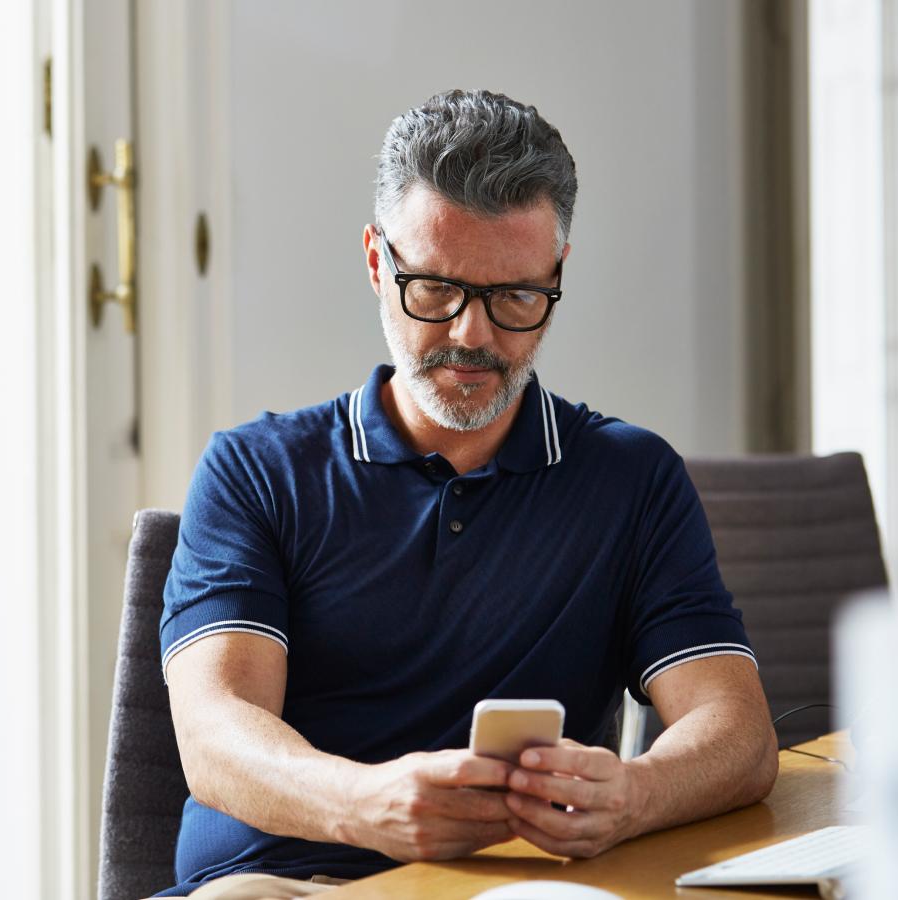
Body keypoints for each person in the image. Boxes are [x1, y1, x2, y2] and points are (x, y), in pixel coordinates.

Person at [158, 89, 778, 899]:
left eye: (515, 296)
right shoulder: (255, 472)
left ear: (556, 276)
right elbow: (214, 737)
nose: (472, 336)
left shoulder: (631, 479)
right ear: (379, 262)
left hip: (522, 888)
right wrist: (365, 804)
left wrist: (635, 795)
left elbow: (741, 735)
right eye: (436, 290)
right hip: (297, 882)